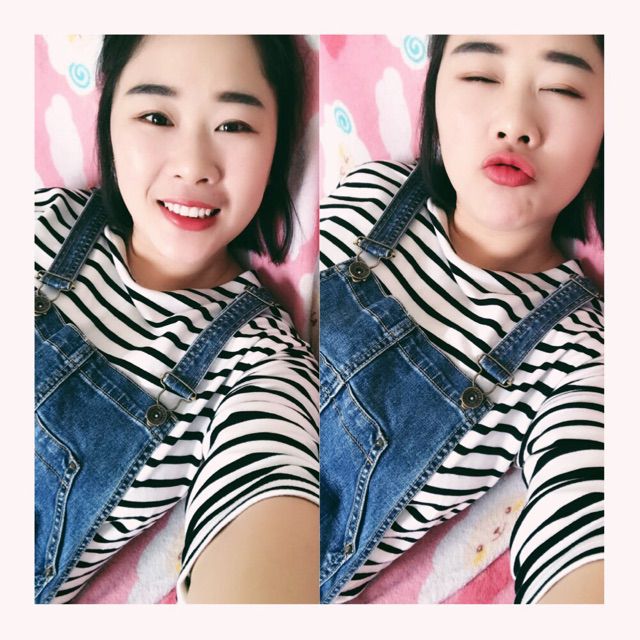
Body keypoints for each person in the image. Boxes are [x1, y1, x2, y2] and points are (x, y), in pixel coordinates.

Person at [319, 35, 604, 604]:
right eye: (481, 76)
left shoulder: (581, 356)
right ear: (434, 98)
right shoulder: (371, 194)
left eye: (563, 88)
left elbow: (589, 536)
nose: (516, 124)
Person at [34, 35, 319, 604]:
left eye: (234, 125)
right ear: (108, 119)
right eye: (156, 116)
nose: (193, 166)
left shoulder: (261, 363)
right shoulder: (36, 225)